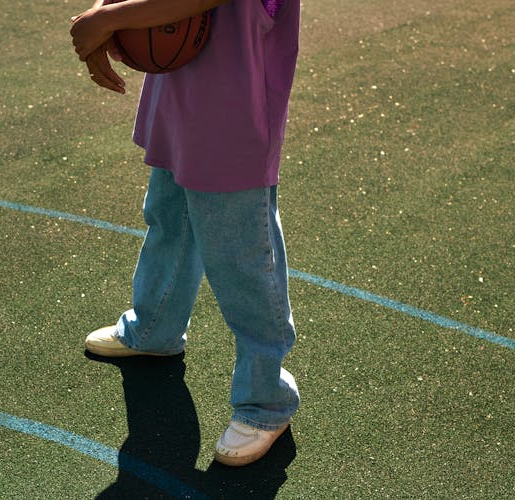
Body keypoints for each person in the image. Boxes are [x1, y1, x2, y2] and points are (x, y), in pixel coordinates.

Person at [70, 0, 300, 467]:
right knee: (169, 220)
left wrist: (110, 20)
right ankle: (153, 329)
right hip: (180, 91)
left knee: (241, 257)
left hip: (236, 106)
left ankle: (265, 401)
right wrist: (103, 14)